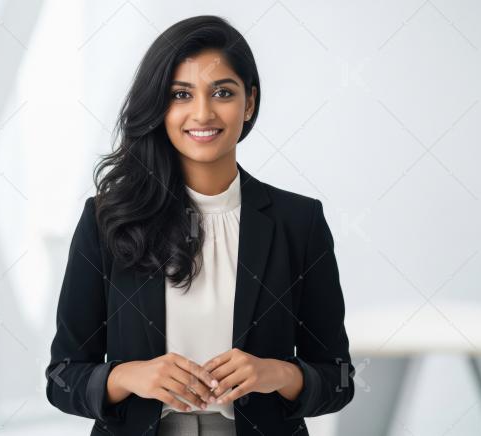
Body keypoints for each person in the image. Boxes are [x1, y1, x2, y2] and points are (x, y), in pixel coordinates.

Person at [45, 15, 354, 436]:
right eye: (181, 95)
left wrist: (278, 373)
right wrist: (128, 377)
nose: (203, 113)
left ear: (249, 102)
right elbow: (62, 378)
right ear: (160, 106)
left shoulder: (299, 222)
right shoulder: (107, 220)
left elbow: (339, 379)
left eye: (222, 92)